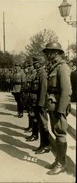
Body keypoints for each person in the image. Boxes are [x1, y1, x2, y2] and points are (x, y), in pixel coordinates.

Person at [43, 42, 72, 175]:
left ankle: (62, 164)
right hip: (52, 105)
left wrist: (61, 110)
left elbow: (66, 91)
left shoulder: (62, 67)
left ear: (55, 53)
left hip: (58, 106)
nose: (46, 55)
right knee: (56, 132)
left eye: (48, 52)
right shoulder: (53, 67)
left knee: (60, 133)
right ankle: (58, 159)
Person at [31, 56, 50, 153]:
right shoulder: (38, 73)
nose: (34, 64)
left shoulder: (42, 74)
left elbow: (43, 89)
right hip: (37, 102)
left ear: (40, 63)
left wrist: (41, 103)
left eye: (36, 63)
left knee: (43, 125)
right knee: (40, 124)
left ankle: (46, 146)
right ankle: (42, 145)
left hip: (40, 102)